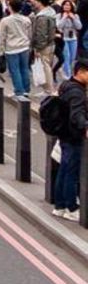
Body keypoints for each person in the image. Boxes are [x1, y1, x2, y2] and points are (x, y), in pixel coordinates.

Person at [49, 57, 88, 218]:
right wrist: (85, 126)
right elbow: (76, 115)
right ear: (80, 72)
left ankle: (59, 206)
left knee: (64, 171)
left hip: (64, 134)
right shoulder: (77, 92)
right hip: (72, 137)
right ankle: (71, 208)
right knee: (71, 173)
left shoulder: (66, 85)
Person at [0, 1, 35, 102]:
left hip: (11, 48)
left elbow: (1, 36)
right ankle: (26, 89)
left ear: (10, 8)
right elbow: (30, 34)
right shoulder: (26, 19)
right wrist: (30, 44)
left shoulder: (5, 21)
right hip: (24, 46)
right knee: (24, 68)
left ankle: (18, 91)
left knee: (15, 70)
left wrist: (0, 50)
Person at [31, 0, 59, 95]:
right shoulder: (51, 13)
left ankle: (49, 90)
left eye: (36, 1)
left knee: (45, 67)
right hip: (51, 43)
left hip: (44, 45)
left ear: (40, 2)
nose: (34, 3)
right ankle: (48, 89)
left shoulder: (42, 17)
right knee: (48, 66)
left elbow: (41, 34)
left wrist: (38, 48)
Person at [58, 0, 82, 76]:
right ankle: (67, 75)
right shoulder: (59, 15)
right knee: (66, 56)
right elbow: (58, 26)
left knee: (72, 57)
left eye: (69, 5)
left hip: (73, 38)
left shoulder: (75, 15)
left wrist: (73, 18)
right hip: (63, 38)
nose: (67, 6)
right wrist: (64, 18)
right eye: (65, 5)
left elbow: (79, 27)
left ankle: (66, 69)